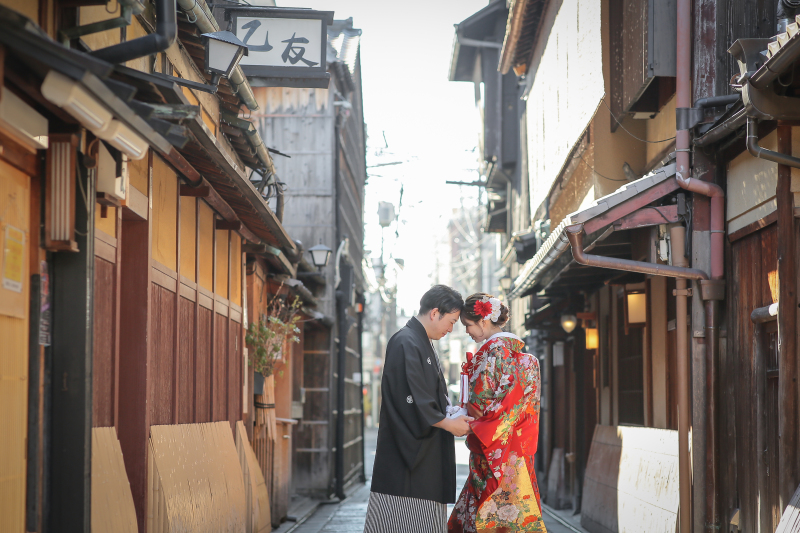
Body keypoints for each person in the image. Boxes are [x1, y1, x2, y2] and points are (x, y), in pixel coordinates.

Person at [364, 285, 474, 533]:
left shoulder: (420, 341)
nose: (451, 329)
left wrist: (450, 412)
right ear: (435, 312)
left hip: (424, 450)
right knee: (403, 520)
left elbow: (428, 395)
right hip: (408, 454)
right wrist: (446, 423)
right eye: (452, 321)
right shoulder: (406, 341)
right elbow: (411, 396)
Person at [448, 293, 546, 533]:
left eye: (468, 325)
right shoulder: (524, 358)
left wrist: (456, 415)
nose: (467, 332)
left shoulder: (491, 354)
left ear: (483, 321)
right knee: (516, 513)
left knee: (485, 513)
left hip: (490, 449)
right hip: (517, 449)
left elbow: (478, 405)